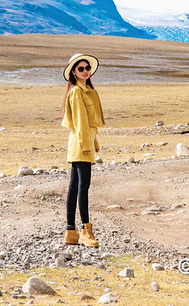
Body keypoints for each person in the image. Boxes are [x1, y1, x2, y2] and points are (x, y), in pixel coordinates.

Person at [61, 53, 105, 247]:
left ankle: (70, 231)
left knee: (75, 186)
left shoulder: (86, 90)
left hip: (82, 141)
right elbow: (80, 121)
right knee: (82, 187)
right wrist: (86, 145)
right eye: (81, 69)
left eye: (87, 68)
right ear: (73, 72)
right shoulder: (77, 92)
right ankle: (86, 231)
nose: (86, 71)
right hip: (80, 143)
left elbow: (89, 123)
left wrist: (93, 141)